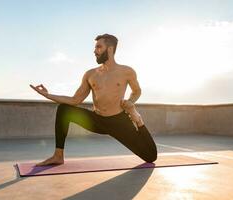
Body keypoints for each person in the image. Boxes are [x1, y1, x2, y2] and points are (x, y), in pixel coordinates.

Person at [30, 33, 157, 166]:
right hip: (98, 120)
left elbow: (137, 91)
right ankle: (58, 155)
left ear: (110, 49)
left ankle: (138, 119)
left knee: (150, 156)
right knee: (64, 109)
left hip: (119, 121)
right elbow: (75, 100)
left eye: (98, 47)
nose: (94, 51)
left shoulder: (127, 71)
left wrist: (130, 102)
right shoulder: (90, 74)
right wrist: (48, 95)